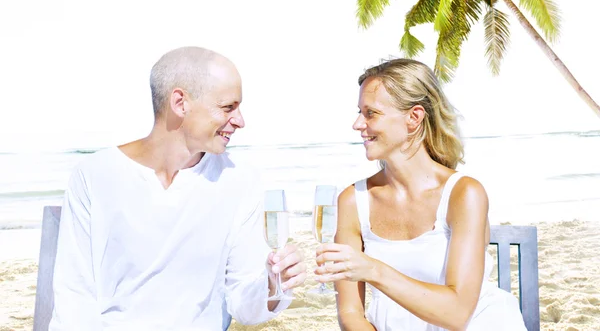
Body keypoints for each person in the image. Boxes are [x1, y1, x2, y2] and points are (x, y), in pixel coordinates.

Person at [49, 46, 306, 331]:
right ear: (180, 102)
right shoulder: (95, 175)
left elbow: (244, 305)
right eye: (228, 107)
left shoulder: (240, 180)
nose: (240, 120)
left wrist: (272, 285)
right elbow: (75, 297)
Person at [315, 58, 526, 330]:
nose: (357, 124)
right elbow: (351, 314)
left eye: (371, 113)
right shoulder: (353, 201)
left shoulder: (464, 194)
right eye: (359, 112)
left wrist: (373, 269)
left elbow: (457, 314)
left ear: (413, 117)